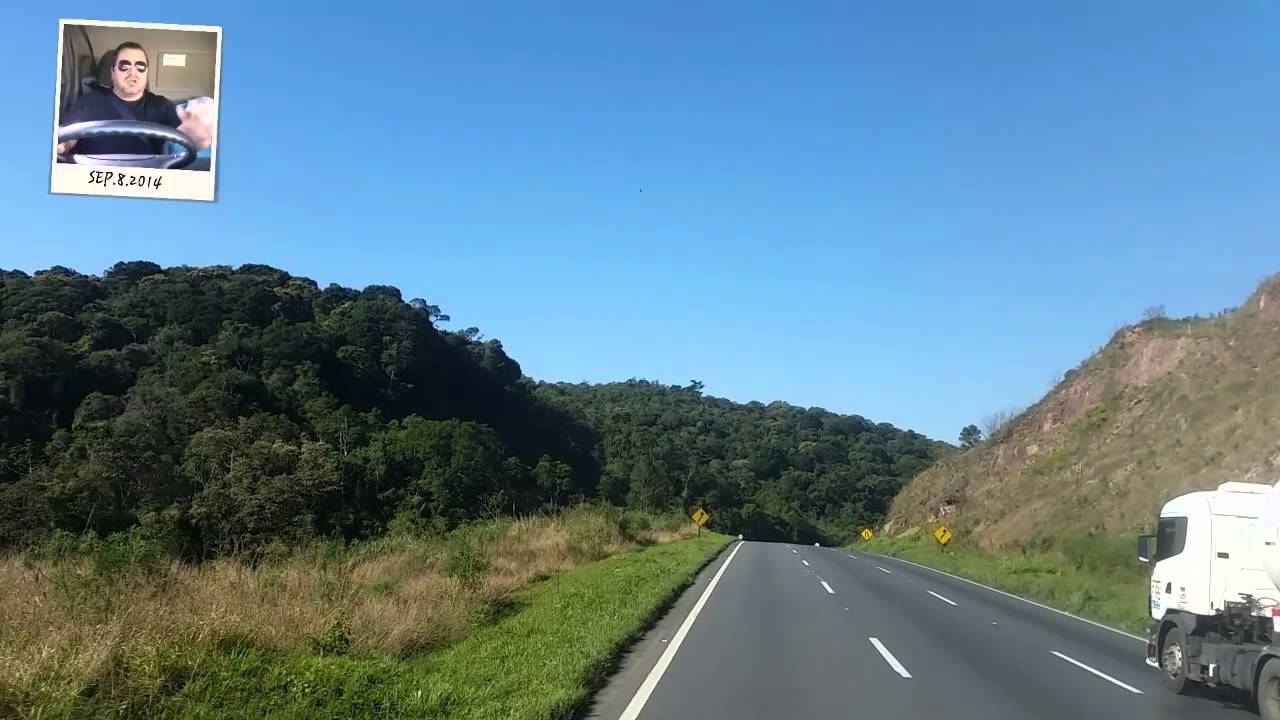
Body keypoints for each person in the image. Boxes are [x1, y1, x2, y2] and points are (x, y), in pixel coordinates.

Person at [57, 41, 212, 157]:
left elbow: (184, 135)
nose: (133, 72)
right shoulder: (87, 101)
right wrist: (61, 146)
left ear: (146, 72)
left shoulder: (162, 105)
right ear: (112, 72)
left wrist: (196, 137)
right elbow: (69, 136)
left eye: (140, 66)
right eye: (124, 66)